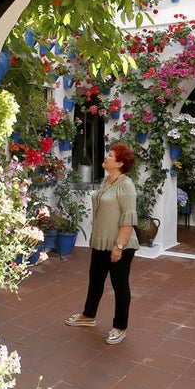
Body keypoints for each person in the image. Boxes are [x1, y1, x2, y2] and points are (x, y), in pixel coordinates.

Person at [63, 143, 139, 345]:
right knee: (95, 281)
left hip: (120, 244)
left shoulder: (126, 185)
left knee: (119, 285)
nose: (106, 156)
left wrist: (119, 246)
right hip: (101, 242)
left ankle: (120, 326)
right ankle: (88, 316)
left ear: (120, 163)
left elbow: (129, 218)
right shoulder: (107, 181)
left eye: (110, 155)